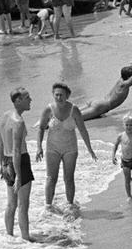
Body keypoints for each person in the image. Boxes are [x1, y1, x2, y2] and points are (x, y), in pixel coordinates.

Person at [35, 82, 96, 216]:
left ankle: (70, 205)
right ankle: (48, 207)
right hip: (53, 148)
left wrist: (90, 149)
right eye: (56, 95)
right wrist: (39, 147)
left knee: (69, 178)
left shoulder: (74, 109)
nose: (58, 97)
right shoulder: (48, 110)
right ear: (53, 95)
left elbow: (82, 130)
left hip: (70, 148)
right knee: (51, 178)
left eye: (61, 95)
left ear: (67, 96)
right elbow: (40, 128)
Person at [0, 87, 34, 240]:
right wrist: (19, 175)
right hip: (19, 163)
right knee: (23, 204)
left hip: (6, 161)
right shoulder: (18, 122)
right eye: (27, 97)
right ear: (18, 101)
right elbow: (17, 150)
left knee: (11, 203)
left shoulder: (5, 116)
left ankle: (9, 236)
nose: (30, 100)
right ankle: (25, 237)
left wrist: (1, 165)